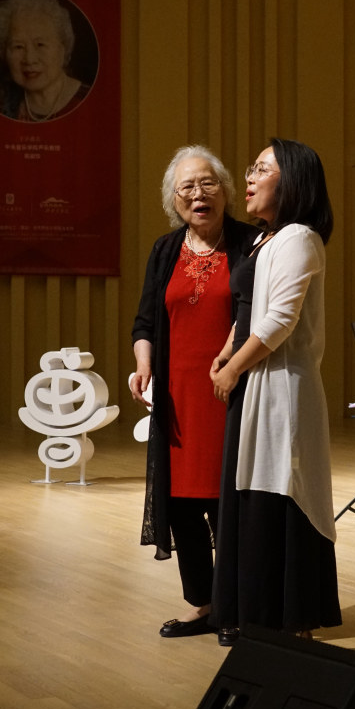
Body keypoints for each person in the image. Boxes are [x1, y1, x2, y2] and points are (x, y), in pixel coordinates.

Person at [209, 139, 340, 644]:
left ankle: (290, 621)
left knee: (281, 493)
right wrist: (226, 352)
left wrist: (233, 369)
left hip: (282, 388)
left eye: (261, 169)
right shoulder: (266, 239)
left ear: (292, 181)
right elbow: (249, 308)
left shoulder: (299, 238)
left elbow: (281, 320)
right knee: (250, 495)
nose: (249, 178)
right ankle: (256, 616)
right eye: (252, 168)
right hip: (252, 380)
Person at [130, 147, 259, 638]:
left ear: (225, 191)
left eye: (208, 183)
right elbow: (145, 321)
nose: (198, 193)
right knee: (182, 505)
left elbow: (256, 314)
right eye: (187, 186)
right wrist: (143, 365)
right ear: (174, 199)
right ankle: (203, 604)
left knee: (229, 504)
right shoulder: (165, 250)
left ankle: (235, 608)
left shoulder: (249, 243)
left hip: (232, 391)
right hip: (177, 398)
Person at [0, 0, 89, 122]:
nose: (29, 59)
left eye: (40, 44)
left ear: (62, 49)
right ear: (4, 53)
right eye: (18, 47)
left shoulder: (91, 102)